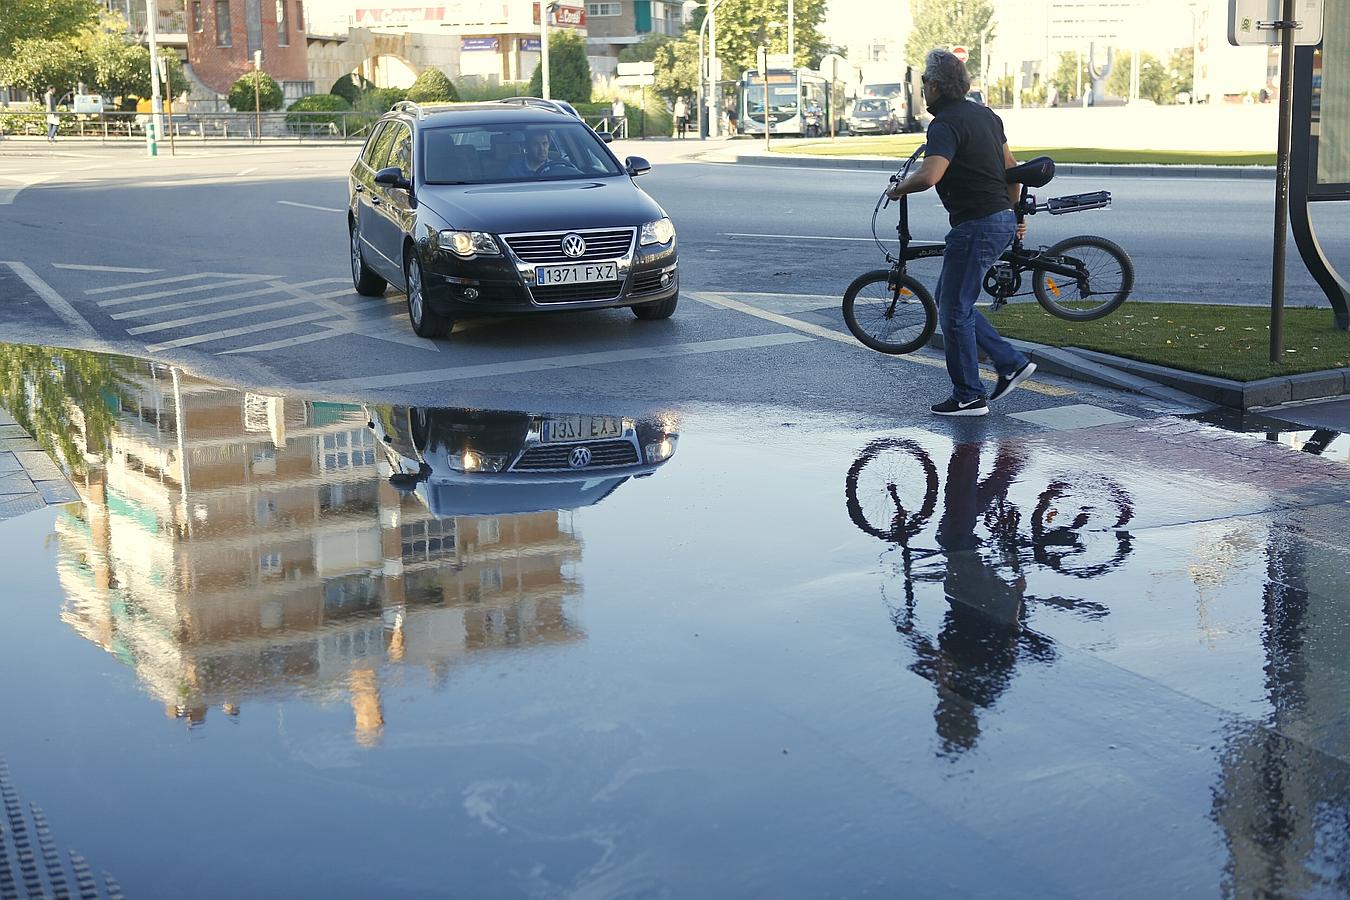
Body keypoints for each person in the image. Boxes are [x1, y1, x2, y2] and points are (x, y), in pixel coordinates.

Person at [885, 49, 1037, 417]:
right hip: (996, 217)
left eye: (924, 83)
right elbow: (1012, 169)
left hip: (975, 225)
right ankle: (1007, 363)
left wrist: (898, 189)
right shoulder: (986, 116)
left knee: (953, 307)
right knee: (954, 302)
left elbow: (930, 175)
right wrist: (1012, 214)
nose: (923, 90)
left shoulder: (944, 125)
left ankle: (969, 394)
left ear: (935, 86)